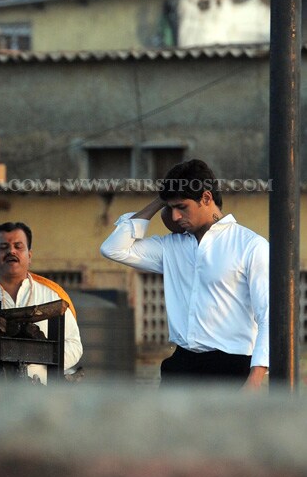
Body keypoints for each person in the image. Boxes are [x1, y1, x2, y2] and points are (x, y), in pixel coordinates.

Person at [99, 159, 268, 389]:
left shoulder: (250, 245)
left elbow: (268, 315)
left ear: (206, 198)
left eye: (182, 207)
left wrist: (256, 378)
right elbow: (113, 249)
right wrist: (162, 198)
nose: (175, 216)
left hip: (231, 367)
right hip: (180, 365)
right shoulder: (171, 247)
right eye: (171, 208)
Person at [0, 221, 83, 383]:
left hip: (42, 393)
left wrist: (35, 356)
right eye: (3, 247)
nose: (11, 251)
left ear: (29, 255)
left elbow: (74, 346)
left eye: (18, 246)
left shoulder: (53, 297)